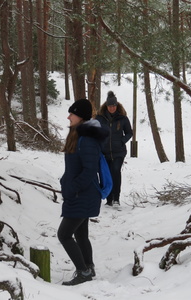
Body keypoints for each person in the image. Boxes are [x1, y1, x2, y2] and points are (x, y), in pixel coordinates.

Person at [58, 99, 109, 286]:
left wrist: (72, 187)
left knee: (64, 235)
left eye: (72, 113)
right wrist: (65, 181)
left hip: (83, 195)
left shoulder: (87, 139)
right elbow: (75, 167)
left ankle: (83, 271)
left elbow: (89, 171)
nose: (68, 116)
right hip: (80, 194)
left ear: (81, 116)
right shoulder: (78, 135)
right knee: (80, 235)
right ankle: (88, 267)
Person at [96, 91, 133, 206]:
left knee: (115, 172)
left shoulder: (122, 118)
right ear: (106, 106)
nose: (112, 108)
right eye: (110, 106)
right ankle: (109, 199)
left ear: (117, 106)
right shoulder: (100, 118)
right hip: (104, 152)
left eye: (114, 106)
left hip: (119, 152)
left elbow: (129, 132)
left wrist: (122, 141)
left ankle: (116, 198)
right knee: (106, 174)